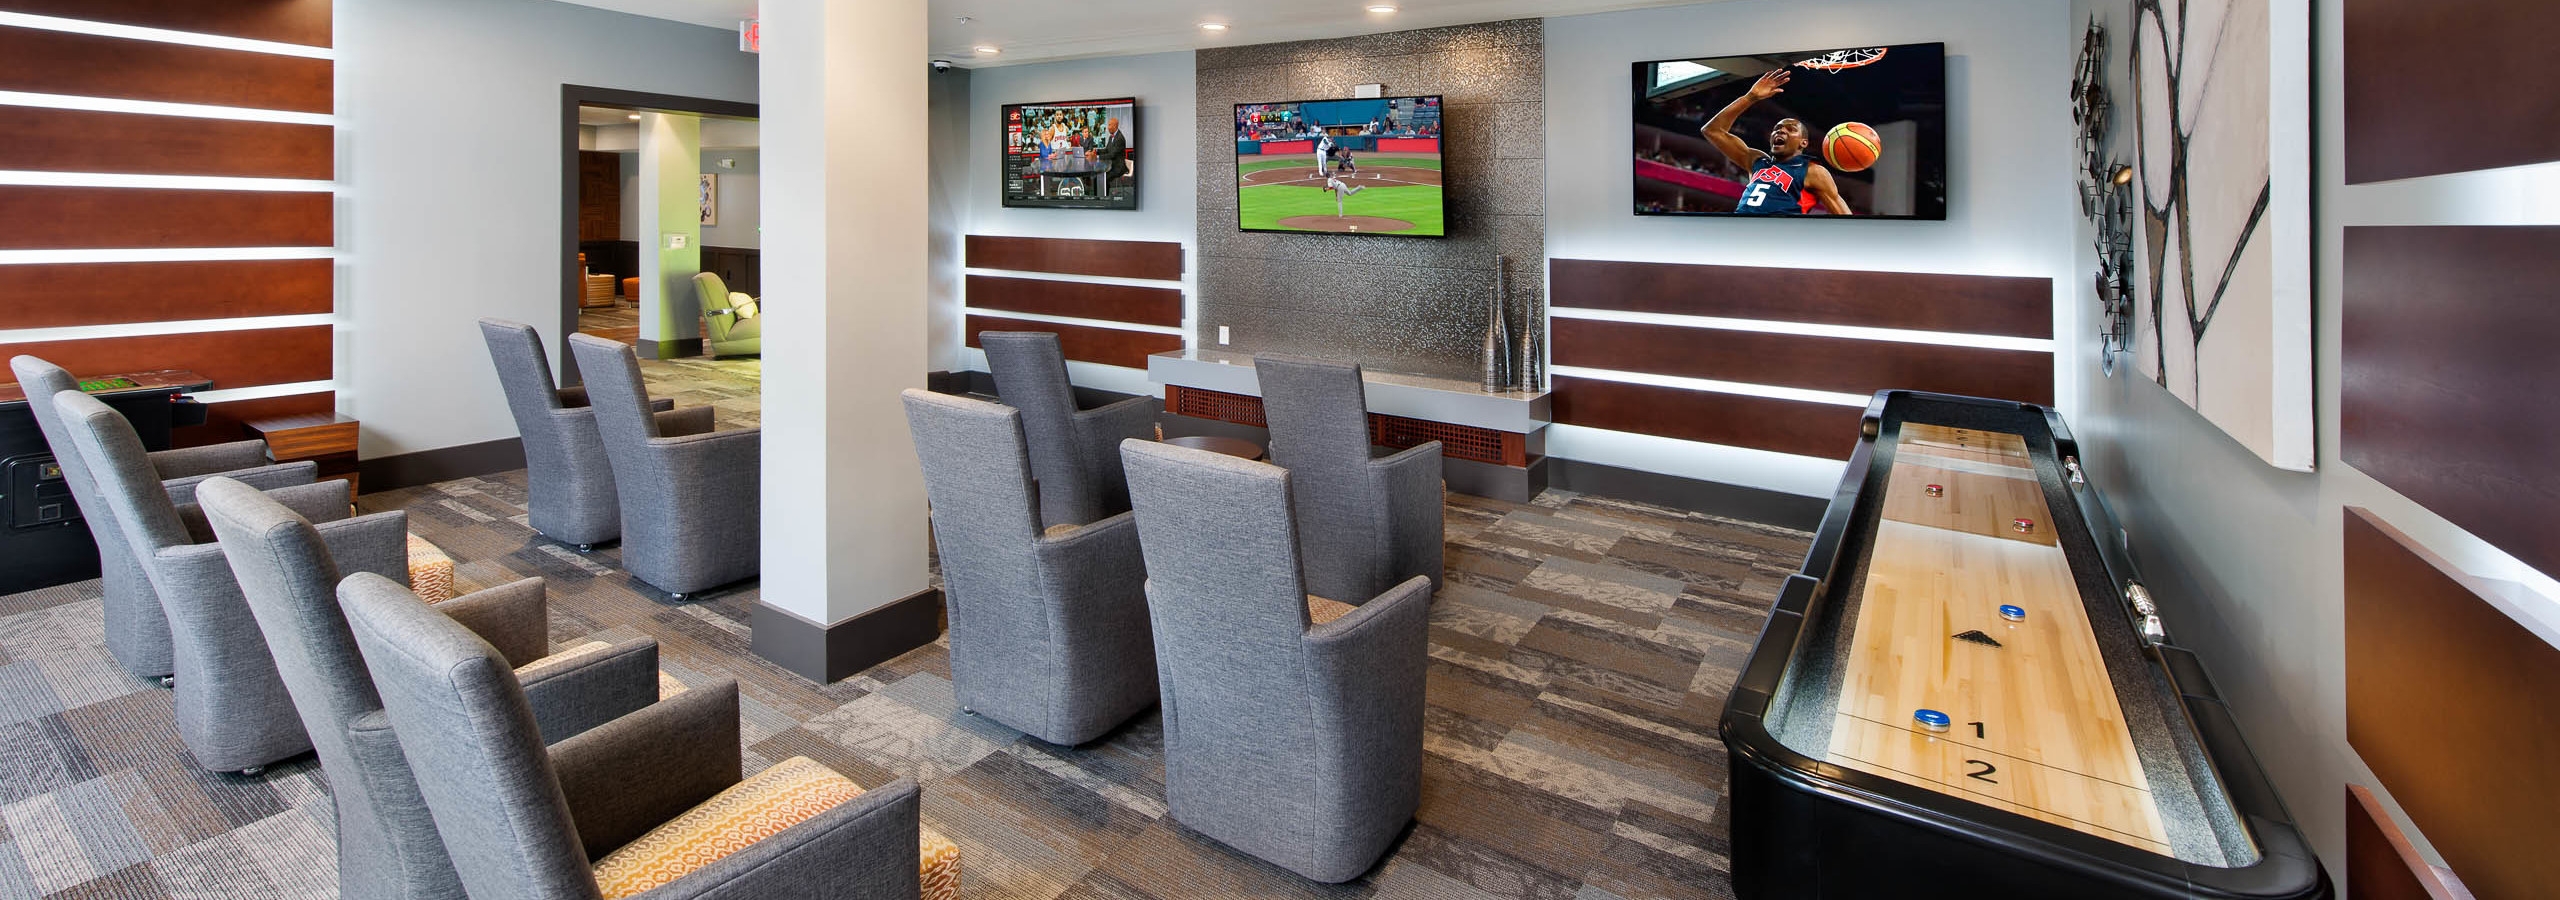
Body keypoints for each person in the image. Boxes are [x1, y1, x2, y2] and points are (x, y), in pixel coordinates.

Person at [1699, 67, 1852, 216]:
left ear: (1803, 143)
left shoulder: (1813, 171)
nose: (1781, 130)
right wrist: (1750, 97)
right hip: (1739, 231)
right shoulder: (1757, 161)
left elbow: (1844, 217)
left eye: (1791, 129)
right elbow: (1712, 130)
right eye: (1777, 128)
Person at [1092, 116, 1130, 198]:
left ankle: (1105, 198)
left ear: (1115, 126)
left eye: (1109, 125)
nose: (1108, 127)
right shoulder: (1111, 137)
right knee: (1096, 178)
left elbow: (1112, 155)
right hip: (1110, 165)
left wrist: (1097, 157)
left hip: (1118, 167)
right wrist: (1096, 151)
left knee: (1103, 179)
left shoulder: (1120, 138)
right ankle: (1096, 198)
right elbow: (1107, 150)